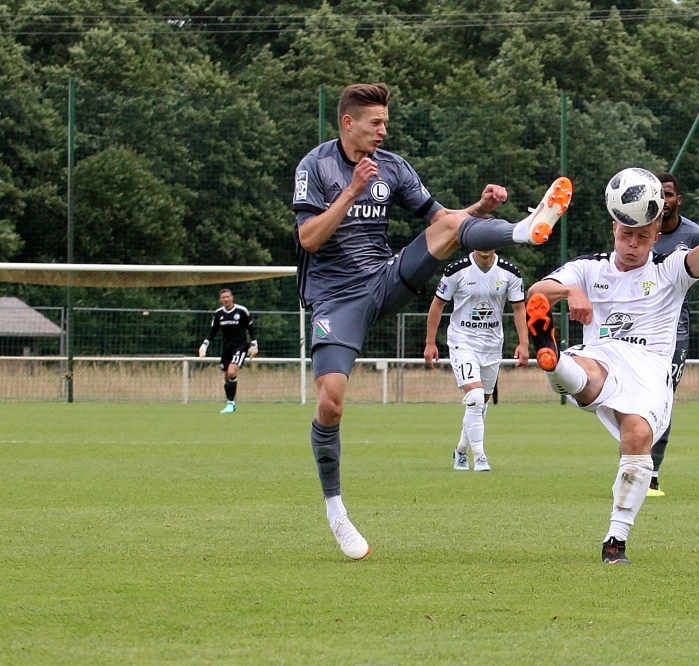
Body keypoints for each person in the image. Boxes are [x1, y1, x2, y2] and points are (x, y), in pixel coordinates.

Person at [292, 82, 572, 560]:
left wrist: (481, 211)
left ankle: (524, 230)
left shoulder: (393, 167)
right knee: (331, 404)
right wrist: (354, 190)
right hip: (335, 300)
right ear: (347, 123)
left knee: (446, 227)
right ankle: (336, 509)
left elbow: (445, 220)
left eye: (385, 122)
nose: (384, 131)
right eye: (375, 123)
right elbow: (309, 238)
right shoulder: (314, 167)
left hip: (383, 280)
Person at [524, 168, 699, 564]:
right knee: (583, 373)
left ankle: (614, 541)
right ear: (614, 229)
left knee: (638, 439)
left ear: (657, 235)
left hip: (650, 368)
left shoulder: (669, 269)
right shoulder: (589, 268)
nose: (632, 244)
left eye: (642, 236)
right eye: (625, 234)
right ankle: (550, 358)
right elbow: (536, 291)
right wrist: (570, 291)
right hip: (602, 355)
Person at [646, 173, 699, 497]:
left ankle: (650, 471)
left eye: (668, 194)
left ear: (678, 200)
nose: (663, 201)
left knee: (662, 395)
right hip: (637, 327)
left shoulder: (694, 235)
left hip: (675, 330)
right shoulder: (639, 229)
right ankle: (633, 462)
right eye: (658, 194)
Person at [424, 249, 530, 472]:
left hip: (492, 346)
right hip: (462, 341)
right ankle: (480, 457)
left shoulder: (510, 272)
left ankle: (461, 451)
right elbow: (437, 304)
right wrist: (430, 343)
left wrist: (524, 344)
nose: (484, 245)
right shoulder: (457, 270)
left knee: (480, 404)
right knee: (475, 397)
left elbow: (519, 308)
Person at [198, 288, 258, 414]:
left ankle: (230, 404)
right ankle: (231, 402)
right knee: (227, 376)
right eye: (223, 297)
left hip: (241, 346)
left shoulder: (241, 311)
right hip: (227, 348)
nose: (225, 299)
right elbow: (213, 331)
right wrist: (204, 345)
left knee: (231, 372)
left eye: (227, 297)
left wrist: (254, 344)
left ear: (232, 297)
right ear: (220, 300)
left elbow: (250, 327)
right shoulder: (218, 314)